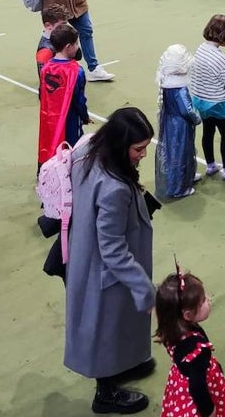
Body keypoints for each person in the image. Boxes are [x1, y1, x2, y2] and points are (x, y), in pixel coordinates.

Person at [65, 107, 157, 414]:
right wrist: (143, 287)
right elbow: (114, 249)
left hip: (85, 257)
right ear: (121, 145)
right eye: (138, 149)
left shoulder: (89, 149)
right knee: (106, 330)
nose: (142, 155)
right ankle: (106, 394)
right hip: (107, 274)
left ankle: (123, 365)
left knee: (109, 327)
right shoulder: (115, 188)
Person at [154, 268, 225, 417]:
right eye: (203, 301)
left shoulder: (172, 330)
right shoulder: (196, 349)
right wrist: (209, 410)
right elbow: (197, 387)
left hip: (180, 384)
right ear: (188, 315)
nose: (209, 299)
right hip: (197, 394)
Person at [190, 14, 225, 181]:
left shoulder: (200, 49)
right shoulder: (221, 60)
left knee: (208, 131)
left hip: (201, 100)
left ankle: (211, 165)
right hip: (217, 102)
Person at [38, 23, 89, 169]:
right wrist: (84, 116)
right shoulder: (76, 71)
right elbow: (79, 100)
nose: (78, 47)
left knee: (51, 145)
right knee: (72, 149)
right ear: (68, 47)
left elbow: (42, 94)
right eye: (76, 44)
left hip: (50, 119)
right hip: (70, 119)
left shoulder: (46, 68)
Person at [155, 44, 201, 200]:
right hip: (180, 125)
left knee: (176, 151)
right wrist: (197, 118)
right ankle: (178, 187)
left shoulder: (166, 80)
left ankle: (186, 177)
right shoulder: (179, 87)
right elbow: (187, 110)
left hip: (170, 121)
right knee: (180, 153)